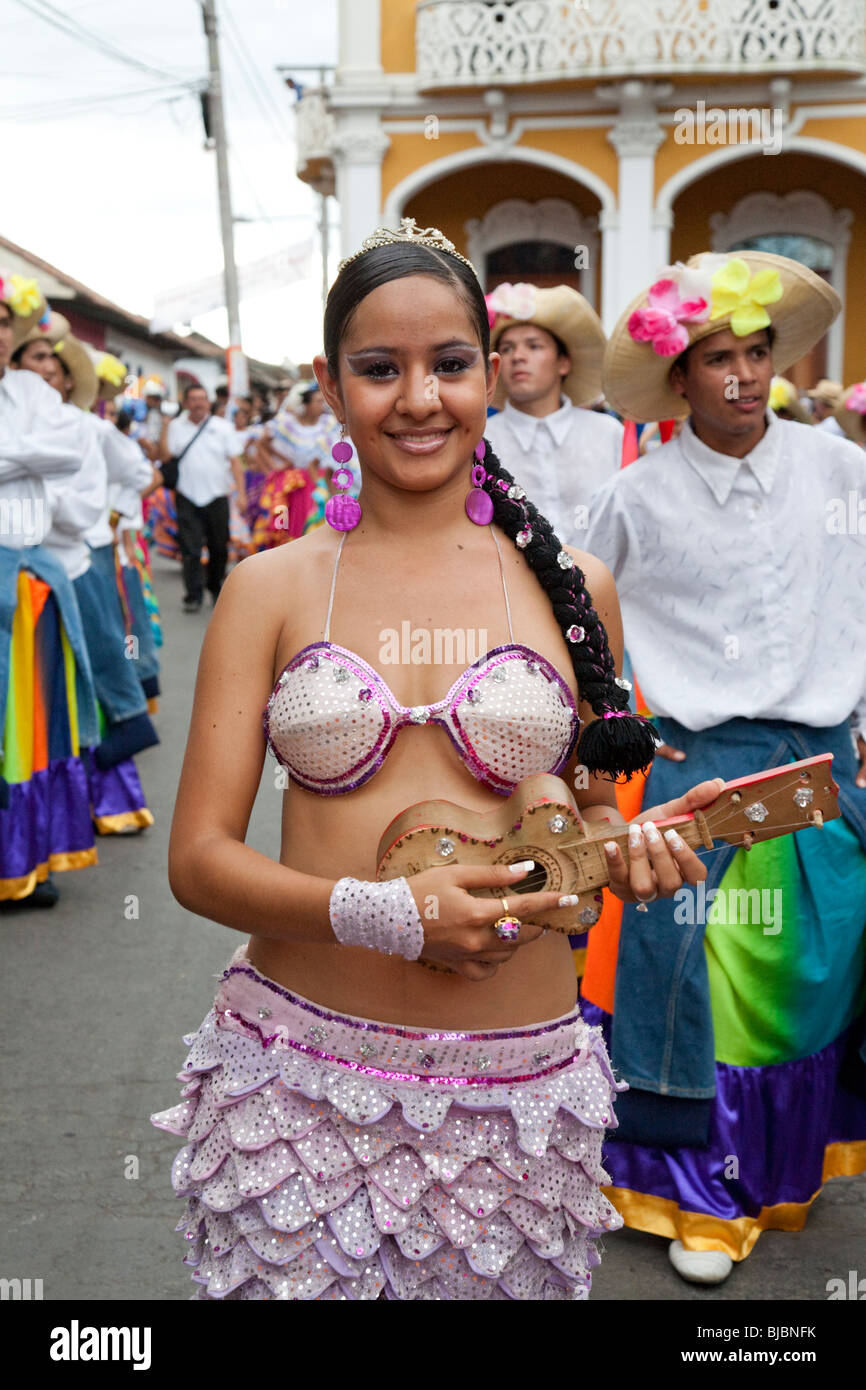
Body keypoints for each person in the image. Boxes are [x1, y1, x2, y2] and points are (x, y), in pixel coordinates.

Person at [150, 218, 722, 1301]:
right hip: (296, 1088)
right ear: (329, 384)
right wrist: (385, 913)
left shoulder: (573, 589)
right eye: (379, 368)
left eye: (449, 364)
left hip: (518, 1099)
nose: (418, 398)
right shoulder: (268, 589)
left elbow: (586, 832)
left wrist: (633, 849)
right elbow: (197, 860)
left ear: (488, 373)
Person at [583, 250, 866, 1284]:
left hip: (825, 774)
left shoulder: (840, 470)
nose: (743, 375)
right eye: (716, 358)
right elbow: (577, 614)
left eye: (755, 353)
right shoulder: (635, 497)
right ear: (680, 377)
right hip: (698, 779)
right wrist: (614, 719)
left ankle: (775, 1181)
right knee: (706, 995)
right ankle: (701, 1199)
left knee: (810, 988)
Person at [15, 314, 159, 833]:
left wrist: (116, 517)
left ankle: (116, 758)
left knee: (94, 670)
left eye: (52, 365)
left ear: (70, 379)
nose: (44, 374)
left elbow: (96, 503)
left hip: (73, 563)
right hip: (20, 575)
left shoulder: (87, 428)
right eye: (32, 363)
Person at [0, 272, 100, 906]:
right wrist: (26, 454)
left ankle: (22, 858)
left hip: (29, 581)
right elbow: (49, 455)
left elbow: (68, 455)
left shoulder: (27, 392)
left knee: (30, 725)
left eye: (3, 322)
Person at [483, 284, 623, 545]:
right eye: (508, 348)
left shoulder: (608, 432)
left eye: (534, 346)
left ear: (563, 362)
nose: (518, 357)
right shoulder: (482, 441)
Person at [162, 383, 245, 612]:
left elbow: (236, 462)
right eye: (193, 399)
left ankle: (215, 585)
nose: (198, 403)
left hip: (217, 496)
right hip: (187, 496)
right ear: (186, 403)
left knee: (219, 546)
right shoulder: (176, 426)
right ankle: (193, 594)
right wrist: (164, 428)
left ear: (208, 402)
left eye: (202, 399)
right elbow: (165, 456)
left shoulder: (223, 427)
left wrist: (242, 494)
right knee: (190, 549)